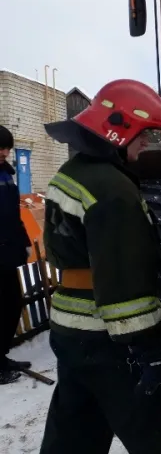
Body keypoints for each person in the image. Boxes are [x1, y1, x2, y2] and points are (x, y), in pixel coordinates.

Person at [38, 79, 161, 454]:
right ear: (119, 130)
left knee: (75, 436)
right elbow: (125, 284)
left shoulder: (72, 173)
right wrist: (147, 353)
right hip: (113, 341)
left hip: (72, 330)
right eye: (144, 137)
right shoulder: (113, 191)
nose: (146, 148)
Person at [0, 125, 33, 385]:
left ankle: (1, 357)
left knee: (12, 304)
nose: (5, 151)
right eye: (1, 147)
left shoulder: (6, 174)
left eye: (7, 147)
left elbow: (12, 214)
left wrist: (23, 241)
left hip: (7, 251)